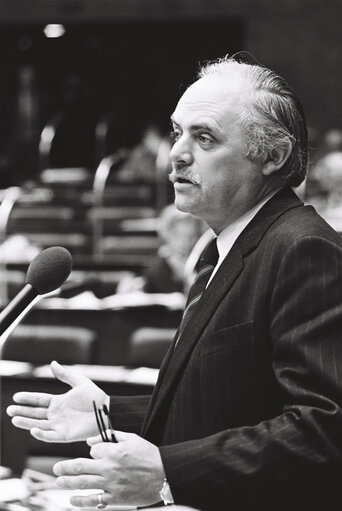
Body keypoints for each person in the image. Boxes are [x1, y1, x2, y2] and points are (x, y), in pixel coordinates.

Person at [7, 56, 342, 511]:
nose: (176, 154)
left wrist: (168, 474)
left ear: (273, 156)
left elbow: (323, 430)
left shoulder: (303, 249)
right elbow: (229, 405)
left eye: (204, 137)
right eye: (176, 132)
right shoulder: (221, 251)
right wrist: (109, 412)